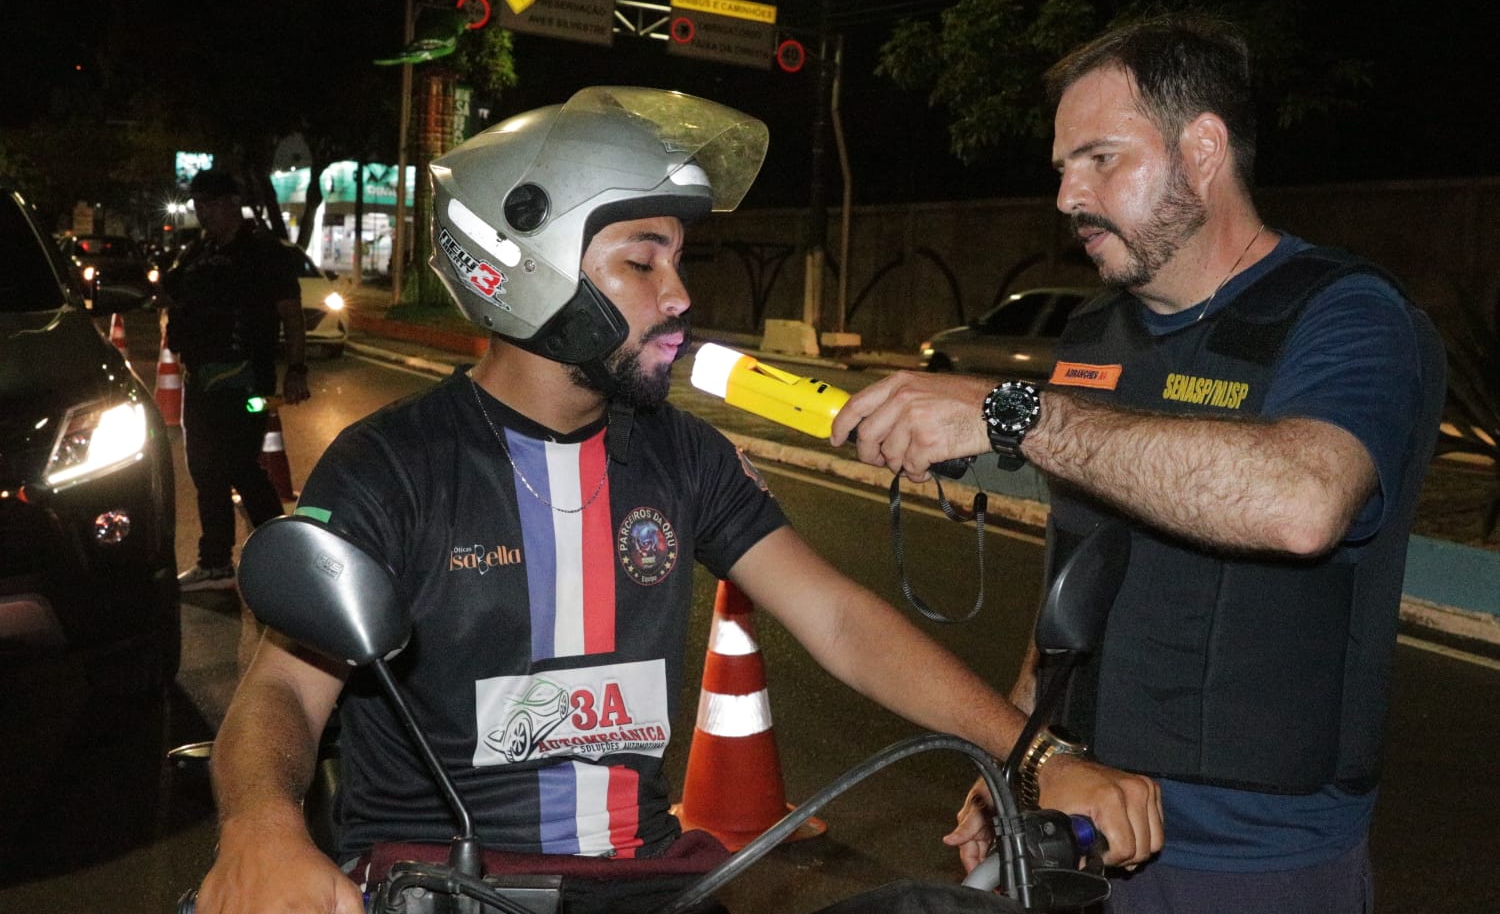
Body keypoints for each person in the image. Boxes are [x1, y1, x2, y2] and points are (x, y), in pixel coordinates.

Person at [191, 88, 1162, 914]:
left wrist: (1038, 755)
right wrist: (263, 829)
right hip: (442, 883)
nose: (678, 295)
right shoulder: (391, 465)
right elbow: (282, 688)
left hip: (648, 884)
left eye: (678, 261)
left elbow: (839, 619)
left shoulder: (679, 454)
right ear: (523, 265)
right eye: (642, 261)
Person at [831, 16, 1446, 913]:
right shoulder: (1095, 333)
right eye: (1061, 168)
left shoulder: (1347, 315)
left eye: (1100, 159)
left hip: (1254, 859)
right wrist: (1019, 760)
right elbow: (1078, 573)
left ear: (1203, 148)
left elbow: (1303, 503)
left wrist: (1012, 413)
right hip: (1083, 822)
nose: (1067, 196)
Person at [163, 167, 310, 605]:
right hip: (200, 380)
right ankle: (215, 562)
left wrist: (297, 369)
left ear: (232, 203)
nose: (202, 213)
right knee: (205, 471)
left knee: (241, 467)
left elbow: (291, 313)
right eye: (197, 205)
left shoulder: (263, 251)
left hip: (246, 381)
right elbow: (172, 294)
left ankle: (283, 558)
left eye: (209, 204)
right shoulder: (199, 252)